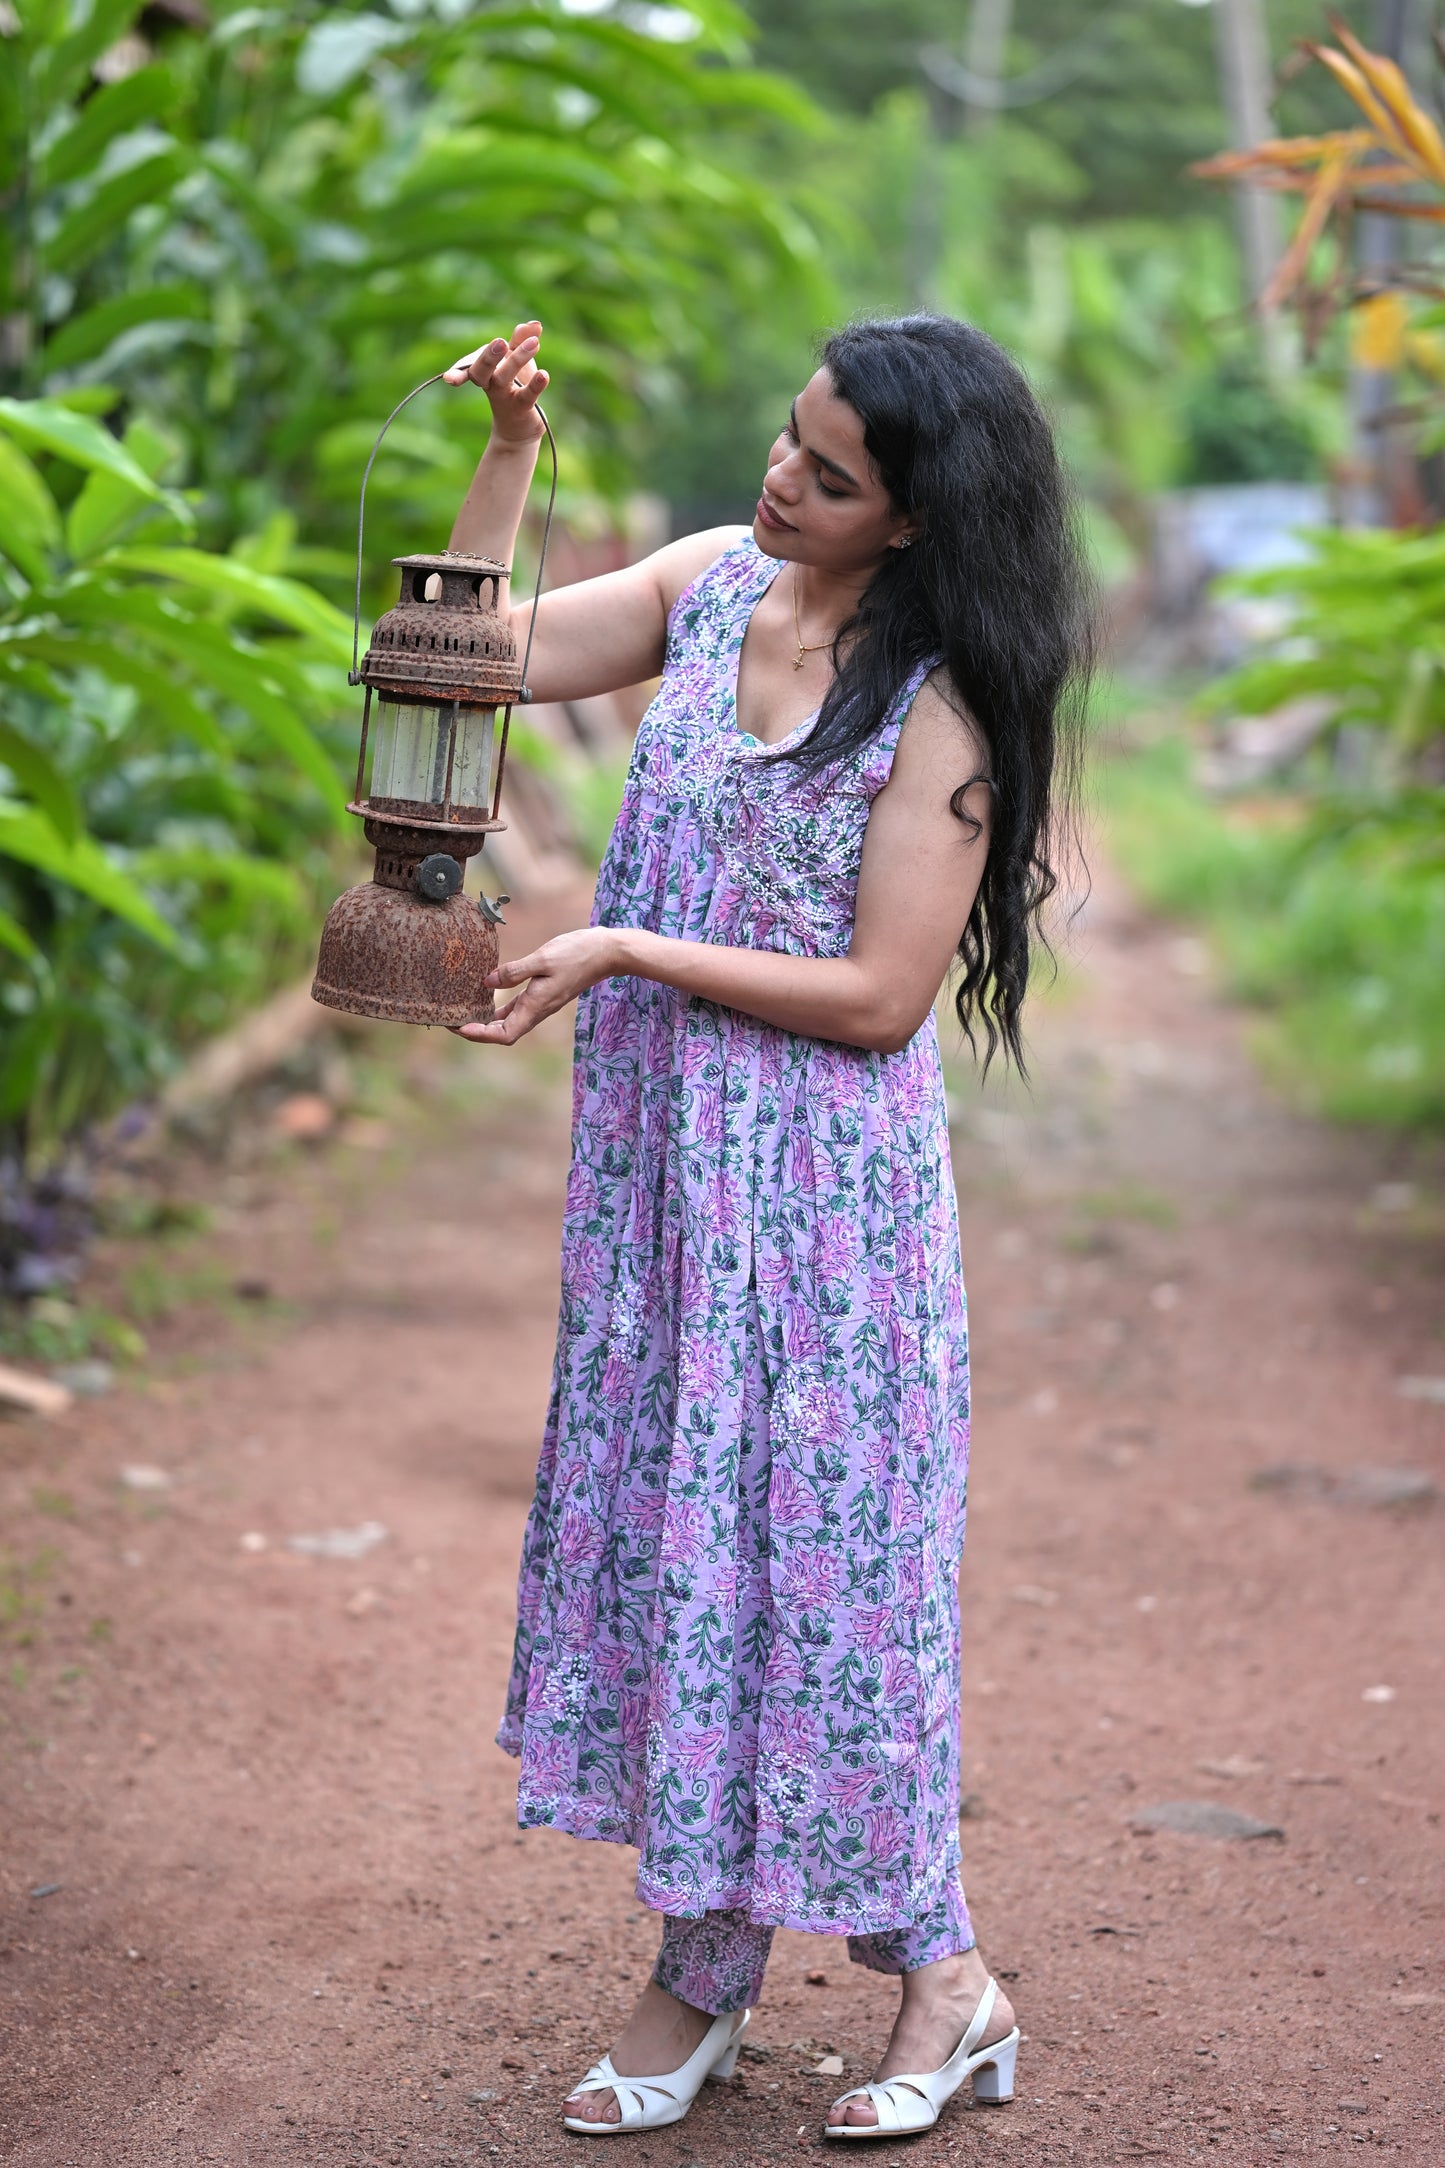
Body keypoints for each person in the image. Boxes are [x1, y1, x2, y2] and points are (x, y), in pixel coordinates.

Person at [439, 313, 1091, 2139]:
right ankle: (702, 1967)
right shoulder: (711, 585)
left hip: (822, 1218)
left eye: (829, 473)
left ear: (912, 515)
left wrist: (626, 941)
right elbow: (453, 665)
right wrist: (510, 456)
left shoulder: (939, 695)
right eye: (787, 439)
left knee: (828, 1588)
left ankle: (941, 1979)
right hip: (660, 1187)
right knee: (682, 1558)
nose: (778, 480)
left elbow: (884, 994)